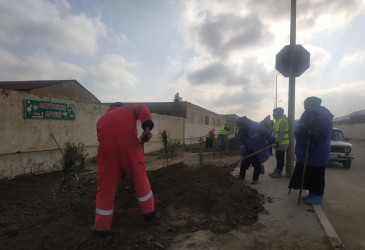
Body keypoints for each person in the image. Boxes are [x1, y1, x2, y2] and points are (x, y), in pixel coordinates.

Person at [92, 102, 160, 237]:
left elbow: (104, 139)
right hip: (130, 151)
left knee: (105, 191)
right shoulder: (128, 109)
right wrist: (146, 129)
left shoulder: (101, 120)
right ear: (122, 106)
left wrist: (118, 169)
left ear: (110, 109)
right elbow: (142, 108)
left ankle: (101, 228)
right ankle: (150, 215)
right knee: (141, 182)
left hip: (107, 156)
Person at [288, 97, 334, 204]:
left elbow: (325, 131)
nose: (304, 107)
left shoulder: (320, 115)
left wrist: (312, 134)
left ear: (309, 104)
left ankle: (318, 196)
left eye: (305, 104)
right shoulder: (313, 113)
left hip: (316, 150)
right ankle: (312, 194)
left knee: (317, 174)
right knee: (310, 174)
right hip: (310, 150)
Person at [236, 116, 276, 184]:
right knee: (244, 162)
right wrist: (244, 151)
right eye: (239, 126)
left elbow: (267, 133)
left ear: (245, 124)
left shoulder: (256, 127)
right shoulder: (240, 132)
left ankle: (255, 179)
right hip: (248, 149)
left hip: (258, 148)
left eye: (241, 126)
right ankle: (241, 176)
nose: (240, 127)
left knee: (256, 163)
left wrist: (273, 141)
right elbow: (241, 143)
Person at [269, 108, 289, 178]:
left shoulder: (283, 121)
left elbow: (282, 133)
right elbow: (276, 132)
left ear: (278, 113)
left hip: (282, 143)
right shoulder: (278, 121)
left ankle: (279, 172)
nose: (273, 114)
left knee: (280, 158)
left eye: (274, 113)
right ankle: (277, 170)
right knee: (278, 157)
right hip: (278, 143)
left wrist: (277, 142)